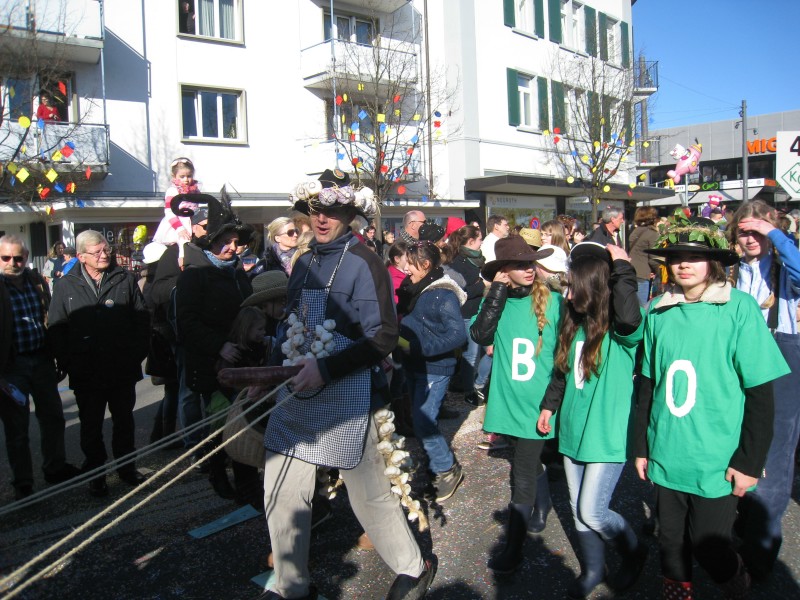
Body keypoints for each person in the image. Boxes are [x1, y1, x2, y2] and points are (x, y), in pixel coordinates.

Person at [262, 169, 433, 600]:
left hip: (348, 391)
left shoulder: (365, 261)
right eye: (317, 209)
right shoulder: (302, 262)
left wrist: (328, 368)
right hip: (298, 389)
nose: (322, 218)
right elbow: (291, 324)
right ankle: (290, 584)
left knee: (369, 493)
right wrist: (269, 372)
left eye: (334, 211)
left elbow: (383, 336)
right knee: (281, 486)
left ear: (350, 215)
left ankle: (414, 567)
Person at [636, 213, 789, 599]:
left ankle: (738, 584)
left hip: (717, 456)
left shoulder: (738, 308)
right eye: (675, 256)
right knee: (670, 544)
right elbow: (648, 386)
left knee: (711, 546)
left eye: (694, 256)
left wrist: (750, 462)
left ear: (715, 262)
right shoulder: (657, 309)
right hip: (668, 452)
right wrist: (639, 445)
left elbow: (760, 394)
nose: (683, 264)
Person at [537, 241, 648, 599]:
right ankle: (593, 569)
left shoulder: (620, 330)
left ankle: (634, 550)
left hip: (606, 434)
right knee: (576, 509)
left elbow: (631, 315)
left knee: (594, 511)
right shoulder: (574, 325)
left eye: (572, 285)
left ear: (592, 285)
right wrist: (549, 407)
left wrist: (623, 266)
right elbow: (561, 372)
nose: (566, 294)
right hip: (572, 430)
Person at [469, 236, 559, 574]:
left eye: (530, 263)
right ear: (503, 271)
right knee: (527, 461)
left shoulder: (554, 302)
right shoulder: (499, 299)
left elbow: (562, 361)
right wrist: (496, 290)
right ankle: (543, 504)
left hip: (538, 407)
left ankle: (514, 548)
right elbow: (480, 335)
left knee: (521, 474)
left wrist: (551, 403)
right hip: (508, 403)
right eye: (518, 264)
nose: (528, 270)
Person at [726, 200, 800, 581]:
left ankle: (760, 554)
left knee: (774, 455)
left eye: (758, 231)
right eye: (744, 230)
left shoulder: (786, 268)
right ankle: (738, 525)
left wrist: (773, 233)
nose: (751, 238)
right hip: (735, 363)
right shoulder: (731, 271)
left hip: (782, 361)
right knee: (737, 445)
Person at [48, 230, 150, 497]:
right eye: (97, 252)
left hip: (121, 368)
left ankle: (127, 468)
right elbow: (57, 328)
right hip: (86, 371)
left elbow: (141, 321)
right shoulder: (66, 285)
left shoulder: (124, 279)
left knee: (124, 422)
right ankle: (96, 474)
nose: (104, 255)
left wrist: (134, 354)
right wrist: (69, 362)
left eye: (106, 250)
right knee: (90, 426)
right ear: (81, 256)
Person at [175, 190, 255, 502]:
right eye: (227, 242)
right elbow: (186, 322)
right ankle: (217, 471)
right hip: (212, 364)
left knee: (241, 422)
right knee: (218, 425)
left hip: (241, 360)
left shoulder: (236, 272)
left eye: (237, 242)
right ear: (211, 240)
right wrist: (219, 346)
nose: (233, 248)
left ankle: (247, 483)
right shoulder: (195, 275)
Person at [0, 236, 80, 500]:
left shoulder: (35, 281)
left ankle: (55, 467)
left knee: (53, 417)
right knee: (17, 428)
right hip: (12, 366)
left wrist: (57, 355)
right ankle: (23, 482)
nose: (13, 263)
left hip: (41, 359)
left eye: (18, 257)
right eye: (6, 258)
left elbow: (48, 318)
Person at [398, 241, 467, 502]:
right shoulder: (418, 289)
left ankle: (446, 469)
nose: (405, 268)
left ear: (425, 265)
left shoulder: (443, 294)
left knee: (423, 420)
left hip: (435, 369)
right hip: (415, 366)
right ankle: (433, 469)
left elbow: (457, 335)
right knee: (420, 419)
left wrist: (422, 347)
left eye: (410, 263)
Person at [443, 225, 487, 405]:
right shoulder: (458, 261)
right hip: (466, 312)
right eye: (479, 239)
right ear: (470, 242)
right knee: (471, 353)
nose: (482, 241)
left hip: (477, 310)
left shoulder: (475, 259)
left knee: (474, 352)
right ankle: (470, 390)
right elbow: (461, 290)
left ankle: (462, 382)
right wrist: (482, 285)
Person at [152, 157, 202, 265]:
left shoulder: (195, 191)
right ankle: (183, 262)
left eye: (189, 176)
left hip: (192, 221)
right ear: (175, 176)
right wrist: (180, 229)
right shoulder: (173, 190)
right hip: (179, 221)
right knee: (183, 241)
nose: (186, 179)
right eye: (182, 176)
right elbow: (169, 211)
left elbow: (197, 208)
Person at [628, 207, 661, 307]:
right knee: (642, 308)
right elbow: (654, 258)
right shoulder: (652, 234)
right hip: (642, 274)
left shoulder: (635, 231)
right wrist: (658, 272)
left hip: (630, 270)